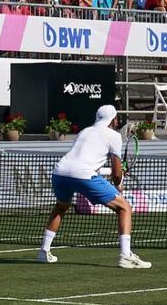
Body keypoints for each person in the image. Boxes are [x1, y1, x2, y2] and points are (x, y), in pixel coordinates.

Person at [38, 104, 152, 269]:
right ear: (113, 119)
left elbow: (90, 164)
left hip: (60, 172)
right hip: (82, 174)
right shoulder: (114, 136)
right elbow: (116, 173)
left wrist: (114, 175)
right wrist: (119, 182)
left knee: (61, 207)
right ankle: (126, 256)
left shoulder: (85, 131)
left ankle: (44, 251)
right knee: (124, 207)